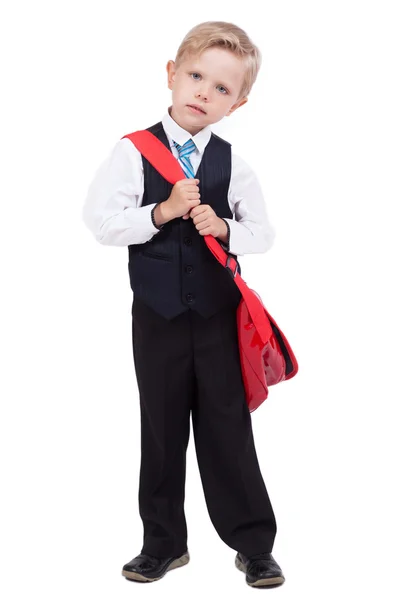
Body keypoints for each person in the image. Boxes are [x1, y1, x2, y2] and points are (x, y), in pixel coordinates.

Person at [82, 20, 285, 588]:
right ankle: (163, 543)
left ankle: (254, 545)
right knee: (162, 428)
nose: (203, 93)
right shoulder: (132, 152)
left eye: (222, 89)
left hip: (219, 318)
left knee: (228, 429)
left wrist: (222, 226)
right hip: (158, 318)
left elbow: (262, 233)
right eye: (195, 76)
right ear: (172, 75)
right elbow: (100, 223)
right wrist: (162, 212)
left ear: (237, 104)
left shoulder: (231, 163)